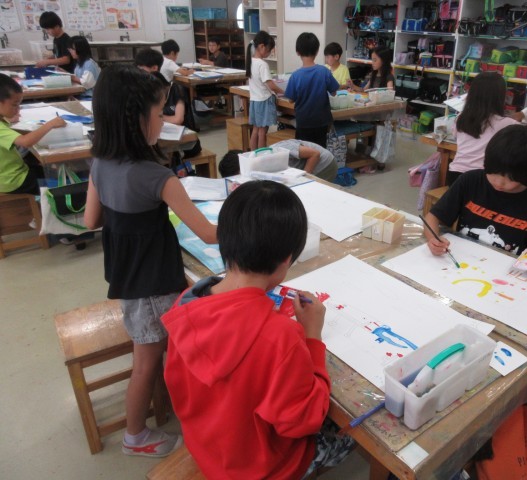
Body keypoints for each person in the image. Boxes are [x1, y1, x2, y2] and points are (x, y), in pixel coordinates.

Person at [161, 180, 354, 478]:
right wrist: (313, 338)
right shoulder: (281, 337)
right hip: (262, 468)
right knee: (353, 434)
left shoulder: (186, 305)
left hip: (208, 448)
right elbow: (304, 421)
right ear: (287, 260)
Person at [83, 65, 218, 458]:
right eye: (160, 113)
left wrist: (130, 217)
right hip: (153, 286)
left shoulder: (100, 163)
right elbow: (209, 234)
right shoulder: (156, 177)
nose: (164, 120)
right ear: (136, 119)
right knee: (147, 362)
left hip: (129, 279)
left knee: (150, 355)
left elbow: (91, 220)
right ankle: (135, 437)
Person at [424, 125, 527, 256]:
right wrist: (434, 239)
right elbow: (433, 217)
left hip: (507, 263)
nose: (498, 182)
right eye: (493, 172)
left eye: (510, 179)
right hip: (464, 257)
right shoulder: (470, 180)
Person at [447, 72, 527, 186]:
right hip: (484, 180)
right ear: (501, 97)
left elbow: (458, 137)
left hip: (455, 177)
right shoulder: (507, 124)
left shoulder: (460, 118)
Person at [0, 75, 66, 195]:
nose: (18, 110)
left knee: (53, 171)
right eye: (14, 105)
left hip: (12, 173)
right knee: (63, 182)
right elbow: (26, 142)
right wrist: (51, 124)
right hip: (14, 180)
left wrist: (9, 117)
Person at [285, 32, 339, 148]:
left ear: (297, 52)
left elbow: (290, 100)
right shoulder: (324, 71)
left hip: (303, 121)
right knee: (320, 150)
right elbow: (334, 92)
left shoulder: (295, 76)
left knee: (304, 151)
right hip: (322, 121)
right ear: (317, 51)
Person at [221, 139, 339, 181]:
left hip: (325, 163)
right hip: (306, 167)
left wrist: (304, 178)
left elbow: (315, 154)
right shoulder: (258, 166)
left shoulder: (278, 150)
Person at [246, 31, 283, 150]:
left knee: (255, 130)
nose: (269, 53)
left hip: (254, 101)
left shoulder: (251, 61)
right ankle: (261, 155)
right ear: (262, 46)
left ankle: (253, 154)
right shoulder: (262, 64)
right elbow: (271, 85)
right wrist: (283, 91)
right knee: (262, 132)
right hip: (263, 101)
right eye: (269, 50)